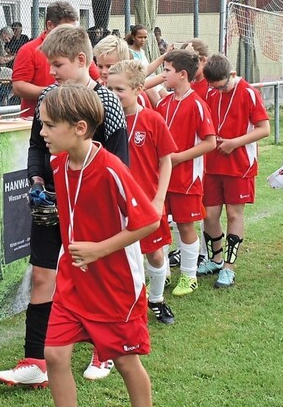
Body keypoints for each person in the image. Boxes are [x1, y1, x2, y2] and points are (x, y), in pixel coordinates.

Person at [0, 24, 128, 387]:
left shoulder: (107, 102)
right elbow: (37, 145)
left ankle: (107, 350)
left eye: (57, 65)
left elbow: (118, 164)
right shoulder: (49, 96)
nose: (50, 73)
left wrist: (95, 208)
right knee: (42, 276)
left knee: (95, 280)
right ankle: (36, 360)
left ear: (82, 61)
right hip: (50, 205)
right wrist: (37, 181)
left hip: (94, 213)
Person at [37, 84, 159, 407]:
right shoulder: (59, 165)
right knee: (54, 354)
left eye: (49, 125)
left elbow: (149, 221)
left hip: (114, 285)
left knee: (124, 362)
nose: (41, 131)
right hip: (74, 281)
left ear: (79, 128)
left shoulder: (111, 169)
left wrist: (98, 250)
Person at [107, 60, 177, 323]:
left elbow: (166, 160)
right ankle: (124, 307)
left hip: (147, 201)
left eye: (119, 90)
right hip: (116, 203)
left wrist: (159, 198)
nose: (112, 95)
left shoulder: (152, 119)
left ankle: (157, 299)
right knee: (120, 258)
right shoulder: (101, 120)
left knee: (155, 254)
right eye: (108, 88)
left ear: (138, 89)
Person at [195, 54, 270, 287]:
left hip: (239, 165)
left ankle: (228, 267)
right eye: (215, 87)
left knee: (234, 214)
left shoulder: (248, 93)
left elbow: (264, 129)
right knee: (210, 214)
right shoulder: (211, 91)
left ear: (233, 75)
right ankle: (215, 259)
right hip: (212, 163)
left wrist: (234, 143)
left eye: (223, 86)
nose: (220, 91)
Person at [155, 49, 216, 296]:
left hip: (187, 179)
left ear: (182, 75)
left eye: (167, 71)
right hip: (162, 179)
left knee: (185, 226)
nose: (163, 75)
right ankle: (163, 273)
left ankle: (189, 276)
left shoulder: (198, 105)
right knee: (161, 226)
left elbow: (210, 142)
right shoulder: (163, 103)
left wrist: (179, 158)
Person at [11, 2, 100, 119]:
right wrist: (56, 93)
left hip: (73, 119)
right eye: (65, 29)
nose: (70, 34)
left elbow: (96, 78)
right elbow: (18, 86)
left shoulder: (76, 49)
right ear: (50, 25)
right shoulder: (29, 50)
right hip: (35, 120)